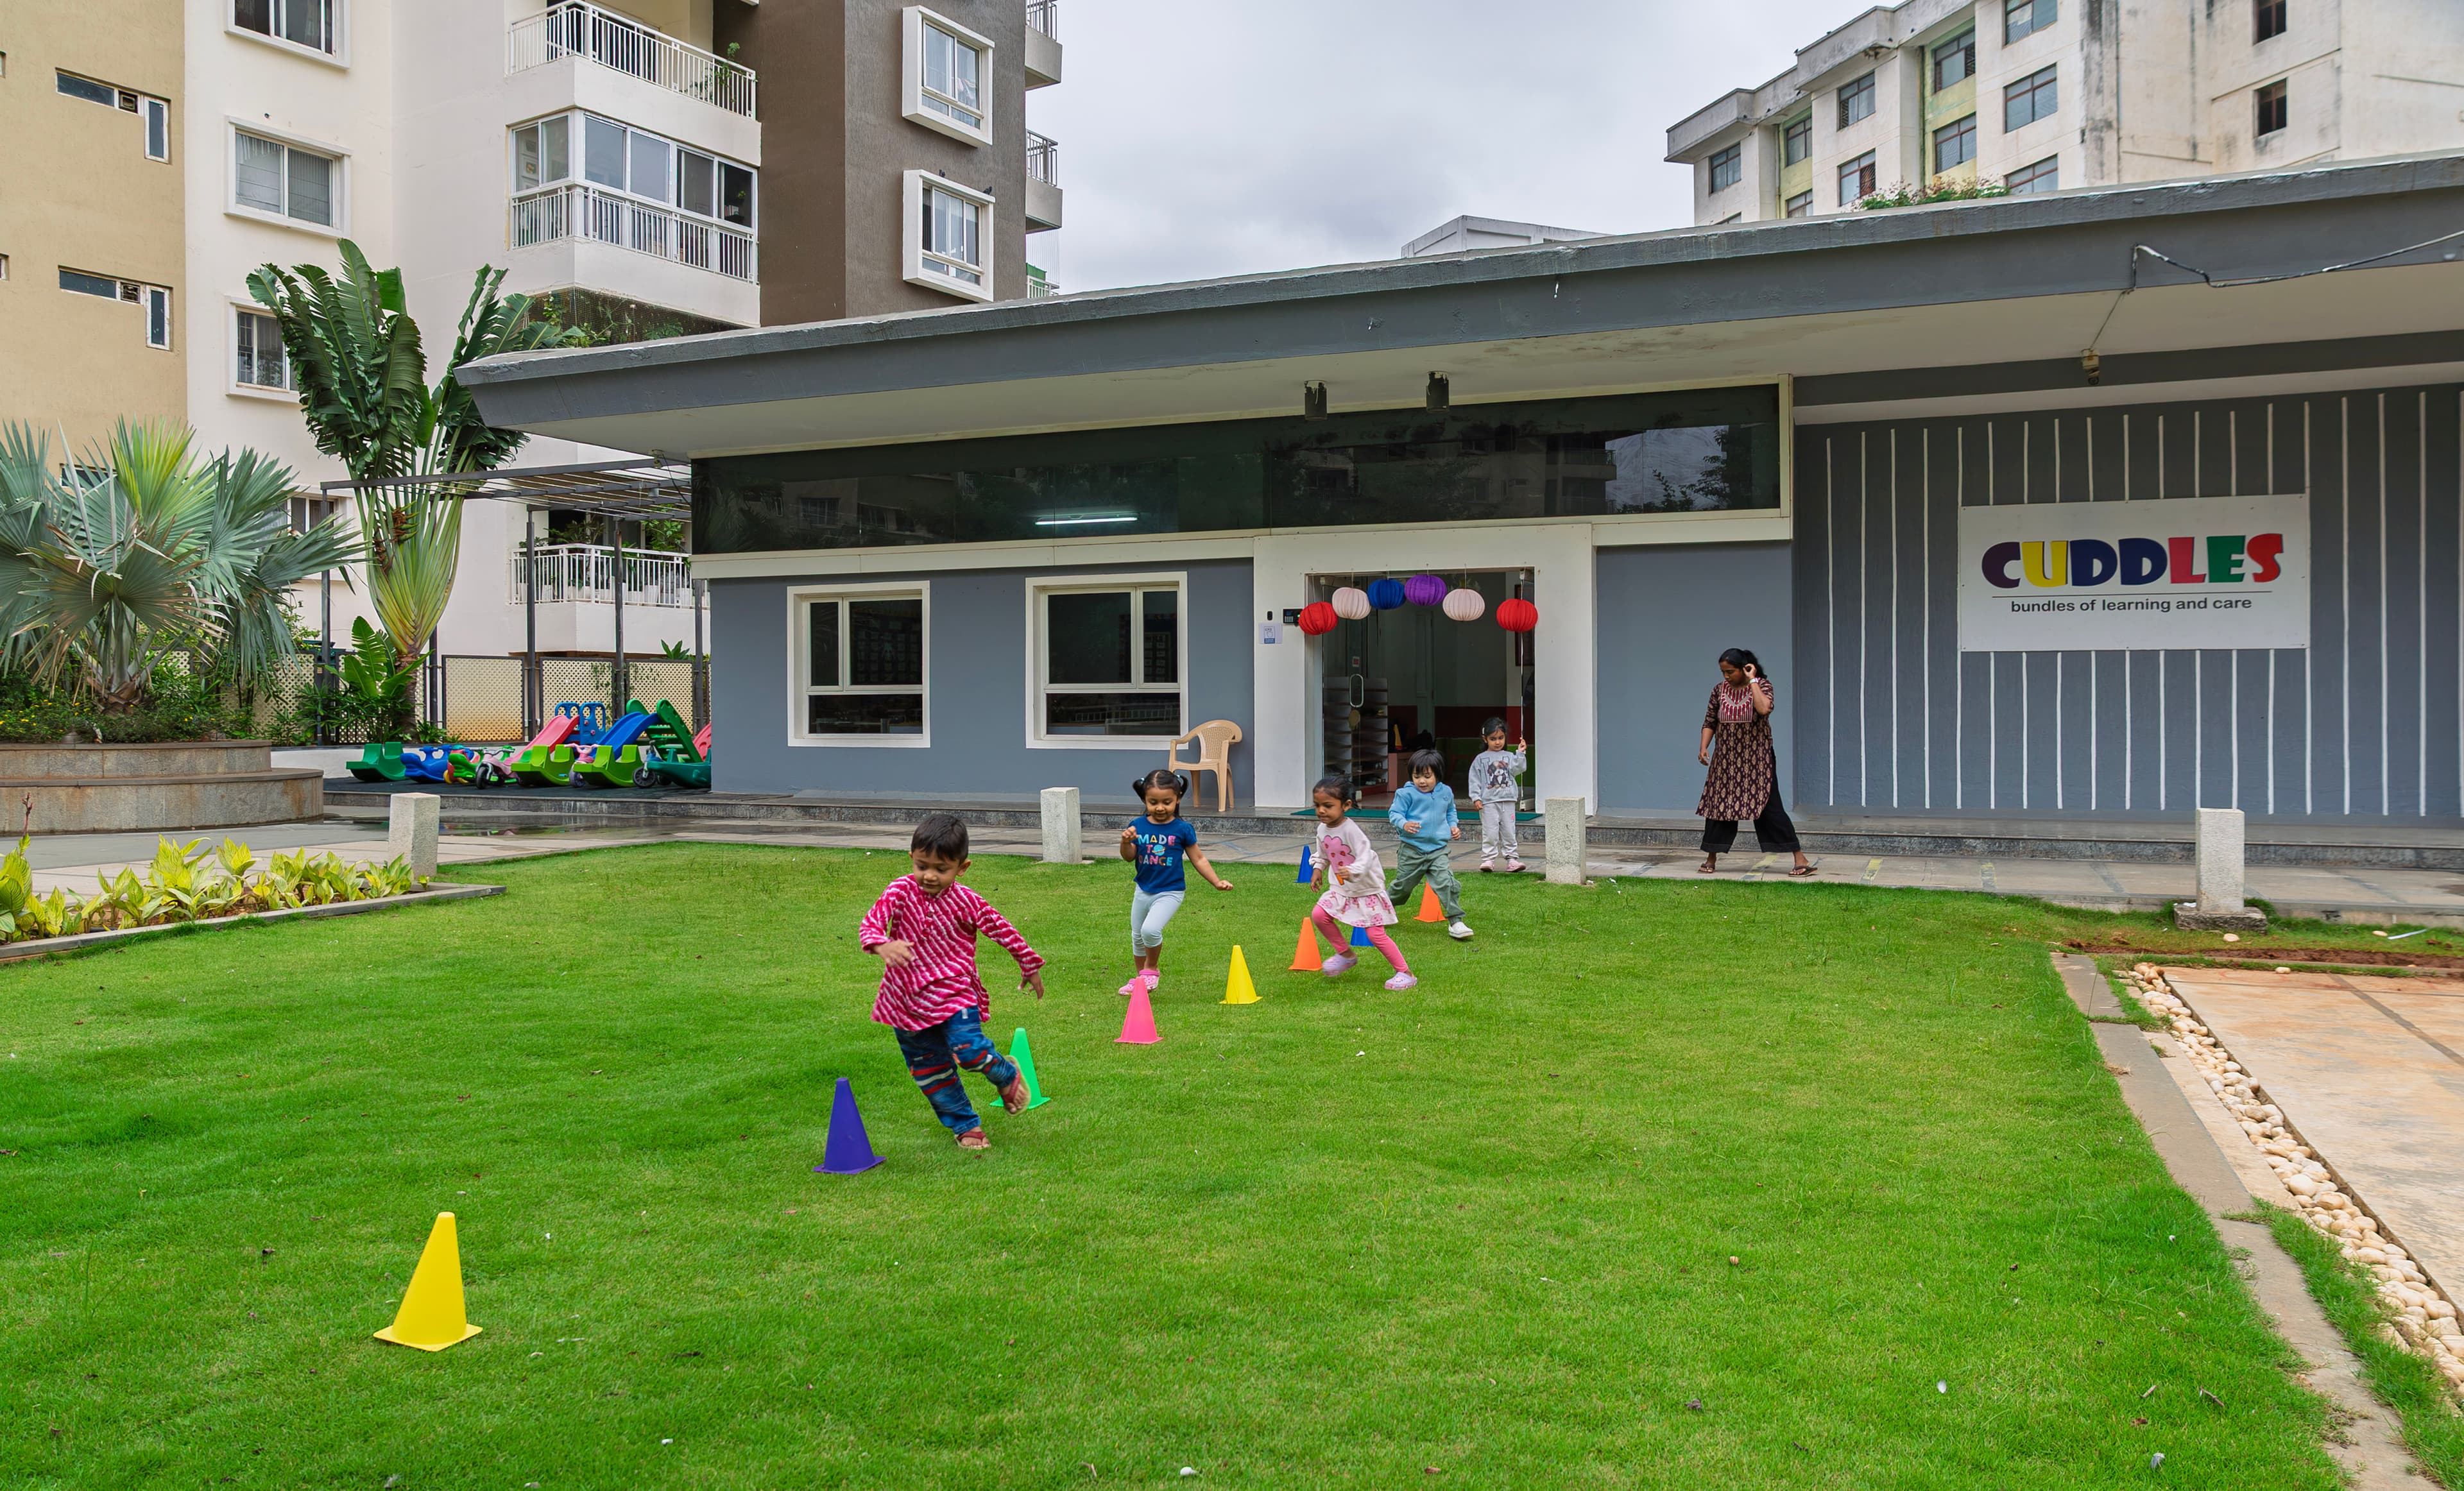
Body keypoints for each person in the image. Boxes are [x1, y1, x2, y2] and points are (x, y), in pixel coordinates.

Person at [857, 813, 1047, 1150]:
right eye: (922, 865)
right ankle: (966, 1127)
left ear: (962, 867)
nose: (929, 875)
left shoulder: (967, 901)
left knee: (970, 1050)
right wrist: (882, 944)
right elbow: (871, 924)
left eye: (940, 869)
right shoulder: (899, 891)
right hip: (906, 1000)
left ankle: (1006, 1073)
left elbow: (1002, 929)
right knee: (931, 1071)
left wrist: (1028, 964)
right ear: (911, 858)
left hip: (954, 990)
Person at [1116, 768, 1233, 998]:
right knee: (1137, 935)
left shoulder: (1182, 829)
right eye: (1153, 802)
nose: (1160, 808)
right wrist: (1124, 842)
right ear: (1145, 800)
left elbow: (1199, 858)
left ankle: (1152, 969)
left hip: (1170, 891)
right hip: (1143, 889)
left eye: (1167, 802)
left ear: (1178, 799)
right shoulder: (1137, 825)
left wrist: (1216, 881)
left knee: (1150, 930)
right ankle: (1142, 979)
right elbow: (1129, 856)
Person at [1696, 648, 1813, 876]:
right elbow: (1710, 720)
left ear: (1745, 668)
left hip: (1757, 761)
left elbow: (1763, 709)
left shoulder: (1762, 687)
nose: (1726, 677)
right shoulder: (1719, 691)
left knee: (1770, 808)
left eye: (1730, 671)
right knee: (1719, 807)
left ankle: (1800, 859)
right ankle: (1711, 858)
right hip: (1726, 761)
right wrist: (1704, 747)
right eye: (1723, 672)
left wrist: (1753, 681)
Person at [1308, 775, 1416, 990]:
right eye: (1317, 805)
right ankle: (1346, 955)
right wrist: (1318, 869)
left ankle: (1406, 973)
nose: (1321, 811)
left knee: (1375, 934)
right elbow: (1323, 853)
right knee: (1319, 915)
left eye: (1328, 806)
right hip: (1341, 888)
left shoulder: (1351, 830)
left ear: (1346, 805)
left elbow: (1365, 855)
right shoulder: (1322, 829)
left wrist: (1353, 870)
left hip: (1366, 888)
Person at [1387, 749, 1474, 939]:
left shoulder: (1446, 792)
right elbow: (1394, 814)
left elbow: (1451, 812)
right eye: (1417, 776)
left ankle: (1456, 922)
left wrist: (1453, 826)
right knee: (1403, 887)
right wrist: (1404, 824)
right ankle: (1383, 908)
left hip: (1438, 851)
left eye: (1427, 776)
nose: (1422, 781)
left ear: (1438, 774)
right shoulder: (1406, 794)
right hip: (1412, 850)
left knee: (1447, 883)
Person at [1467, 719, 1528, 873]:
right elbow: (1474, 780)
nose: (1497, 742)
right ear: (1485, 739)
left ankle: (1512, 859)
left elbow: (1519, 769)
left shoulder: (1509, 756)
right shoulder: (1480, 759)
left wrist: (1520, 753)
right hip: (1488, 802)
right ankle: (1488, 859)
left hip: (1508, 800)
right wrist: (1476, 798)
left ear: (1505, 737)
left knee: (1509, 830)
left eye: (1501, 738)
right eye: (1493, 739)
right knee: (1490, 831)